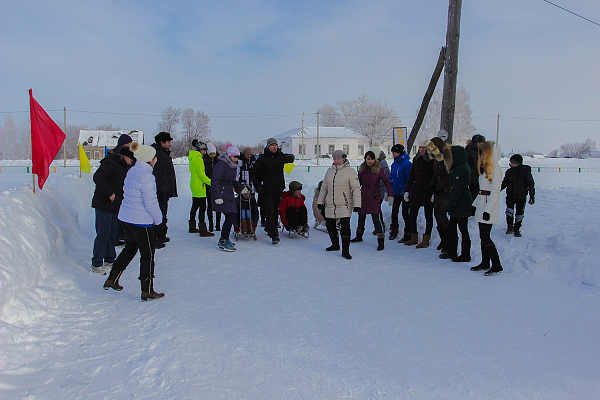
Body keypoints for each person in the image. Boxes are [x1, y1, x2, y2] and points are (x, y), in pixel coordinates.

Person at [103, 143, 165, 301]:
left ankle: (112, 278)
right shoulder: (147, 177)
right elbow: (150, 203)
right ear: (150, 160)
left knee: (130, 248)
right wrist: (159, 220)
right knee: (148, 254)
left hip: (126, 218)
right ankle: (147, 289)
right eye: (154, 157)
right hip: (141, 222)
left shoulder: (132, 171)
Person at [90, 146, 135, 275]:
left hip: (114, 205)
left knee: (112, 233)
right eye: (130, 161)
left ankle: (110, 259)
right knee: (103, 234)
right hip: (104, 204)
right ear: (125, 157)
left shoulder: (120, 165)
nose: (131, 164)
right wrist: (109, 193)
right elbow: (98, 177)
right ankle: (96, 263)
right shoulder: (110, 163)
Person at [317, 150, 361, 260]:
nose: (336, 161)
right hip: (330, 204)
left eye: (338, 159)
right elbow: (324, 188)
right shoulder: (329, 171)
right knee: (330, 226)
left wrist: (357, 204)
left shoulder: (350, 171)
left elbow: (356, 189)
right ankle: (335, 245)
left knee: (345, 227)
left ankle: (345, 250)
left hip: (344, 205)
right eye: (334, 159)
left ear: (344, 159)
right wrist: (320, 202)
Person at [251, 138, 295, 245]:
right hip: (266, 189)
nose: (274, 147)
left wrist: (290, 156)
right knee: (270, 210)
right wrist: (257, 185)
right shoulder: (262, 158)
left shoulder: (280, 156)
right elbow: (254, 173)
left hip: (278, 188)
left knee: (275, 210)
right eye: (272, 145)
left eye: (275, 145)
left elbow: (291, 158)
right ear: (268, 147)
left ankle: (269, 227)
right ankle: (274, 235)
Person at [471, 141, 503, 275]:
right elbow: (481, 190)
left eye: (483, 155)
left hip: (489, 207)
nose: (481, 157)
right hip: (481, 204)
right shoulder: (485, 168)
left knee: (485, 236)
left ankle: (496, 264)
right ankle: (485, 262)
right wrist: (474, 205)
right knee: (482, 236)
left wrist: (488, 210)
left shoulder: (496, 169)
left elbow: (495, 192)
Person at [351, 151, 393, 251]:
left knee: (376, 219)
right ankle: (359, 236)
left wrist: (390, 194)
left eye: (372, 159)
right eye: (368, 159)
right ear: (365, 159)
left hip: (375, 197)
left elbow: (387, 182)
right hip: (363, 196)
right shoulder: (362, 170)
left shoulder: (379, 169)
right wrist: (353, 194)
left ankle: (381, 241)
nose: (370, 161)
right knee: (361, 217)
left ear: (375, 160)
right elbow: (358, 184)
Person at [212, 146, 246, 251]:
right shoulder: (222, 164)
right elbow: (215, 180)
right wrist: (217, 196)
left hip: (228, 193)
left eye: (238, 157)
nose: (237, 159)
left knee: (231, 216)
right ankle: (223, 240)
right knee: (230, 216)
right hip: (221, 194)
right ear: (230, 156)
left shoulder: (232, 165)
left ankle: (224, 238)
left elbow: (232, 181)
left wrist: (242, 188)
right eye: (235, 157)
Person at [442, 145, 473, 262]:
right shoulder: (458, 167)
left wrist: (449, 205)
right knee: (453, 227)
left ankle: (465, 254)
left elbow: (458, 190)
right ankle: (452, 251)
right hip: (459, 202)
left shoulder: (460, 169)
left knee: (462, 229)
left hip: (462, 202)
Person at [404, 140, 435, 248]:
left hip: (428, 191)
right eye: (420, 147)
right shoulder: (416, 159)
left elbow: (434, 176)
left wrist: (433, 191)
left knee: (428, 216)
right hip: (417, 190)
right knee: (411, 214)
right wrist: (407, 190)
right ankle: (414, 237)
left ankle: (426, 239)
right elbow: (412, 176)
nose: (422, 149)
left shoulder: (432, 160)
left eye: (424, 147)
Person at [151, 131, 177, 246]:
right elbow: (159, 175)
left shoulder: (161, 153)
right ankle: (155, 237)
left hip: (162, 191)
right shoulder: (159, 155)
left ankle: (161, 235)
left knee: (162, 214)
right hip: (160, 192)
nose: (170, 144)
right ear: (162, 143)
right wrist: (165, 190)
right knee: (158, 214)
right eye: (168, 142)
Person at [427, 137, 452, 256]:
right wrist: (432, 186)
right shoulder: (436, 160)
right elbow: (434, 175)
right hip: (438, 190)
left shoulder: (445, 158)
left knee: (442, 215)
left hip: (445, 191)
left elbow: (448, 176)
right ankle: (443, 240)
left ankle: (448, 242)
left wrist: (438, 186)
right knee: (436, 214)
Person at [501, 153, 535, 237]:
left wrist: (532, 196)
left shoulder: (525, 171)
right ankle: (509, 227)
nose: (510, 163)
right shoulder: (509, 171)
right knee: (509, 211)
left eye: (512, 162)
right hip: (510, 195)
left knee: (519, 213)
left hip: (521, 195)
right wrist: (497, 190)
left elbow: (530, 184)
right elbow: (505, 182)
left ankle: (517, 228)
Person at [188, 139, 214, 237]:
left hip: (194, 184)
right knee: (202, 207)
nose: (205, 152)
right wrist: (211, 182)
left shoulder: (192, 157)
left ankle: (192, 226)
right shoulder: (198, 158)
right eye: (204, 150)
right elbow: (201, 174)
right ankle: (203, 230)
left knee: (195, 206)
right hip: (200, 185)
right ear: (201, 150)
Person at [113, 134, 134, 246]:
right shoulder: (120, 154)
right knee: (120, 212)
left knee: (119, 211)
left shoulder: (116, 153)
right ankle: (117, 235)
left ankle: (119, 235)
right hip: (120, 186)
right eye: (129, 144)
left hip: (120, 186)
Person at [389, 144, 412, 242]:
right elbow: (391, 178)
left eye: (395, 153)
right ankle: (394, 230)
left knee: (405, 213)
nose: (393, 155)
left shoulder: (407, 164)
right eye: (392, 153)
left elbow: (409, 179)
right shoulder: (394, 164)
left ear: (400, 153)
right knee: (394, 211)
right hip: (396, 192)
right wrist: (388, 191)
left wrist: (408, 192)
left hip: (404, 192)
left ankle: (408, 232)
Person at [203, 143, 221, 232]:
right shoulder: (204, 161)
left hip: (217, 186)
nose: (212, 156)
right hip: (208, 186)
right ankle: (211, 224)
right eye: (211, 154)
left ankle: (218, 225)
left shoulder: (218, 161)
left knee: (218, 205)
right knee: (209, 206)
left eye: (214, 154)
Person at [465, 134, 486, 203]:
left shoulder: (483, 152)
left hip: (480, 176)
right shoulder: (469, 151)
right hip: (472, 177)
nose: (480, 145)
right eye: (479, 143)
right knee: (473, 194)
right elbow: (466, 163)